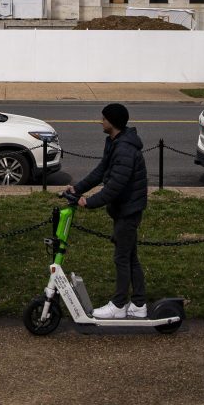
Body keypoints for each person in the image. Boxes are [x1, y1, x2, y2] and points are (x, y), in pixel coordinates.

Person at [62, 102, 148, 318]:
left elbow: (115, 186)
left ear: (113, 122)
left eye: (104, 119)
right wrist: (78, 189)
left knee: (122, 258)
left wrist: (89, 202)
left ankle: (118, 305)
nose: (100, 122)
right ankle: (139, 304)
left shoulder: (124, 149)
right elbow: (101, 171)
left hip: (128, 210)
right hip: (124, 208)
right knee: (130, 257)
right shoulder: (115, 142)